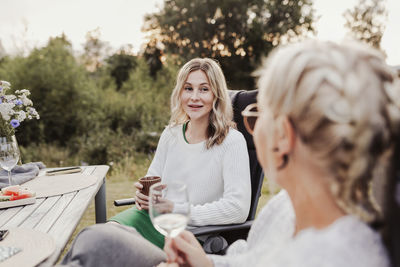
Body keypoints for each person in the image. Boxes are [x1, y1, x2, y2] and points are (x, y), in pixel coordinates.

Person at [59, 40, 400, 267]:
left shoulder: (331, 256)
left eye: (257, 115)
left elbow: (240, 216)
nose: (250, 124)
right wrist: (207, 261)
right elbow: (252, 259)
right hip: (174, 235)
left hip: (180, 228)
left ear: (285, 136)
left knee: (97, 244)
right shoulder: (284, 208)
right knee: (97, 242)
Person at [93, 58, 250, 247]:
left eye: (204, 89)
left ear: (216, 94)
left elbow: (237, 208)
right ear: (180, 92)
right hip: (150, 218)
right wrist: (144, 196)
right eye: (188, 88)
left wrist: (176, 209)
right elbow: (153, 179)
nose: (194, 97)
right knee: (97, 238)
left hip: (186, 232)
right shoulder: (171, 133)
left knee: (112, 247)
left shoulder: (232, 141)